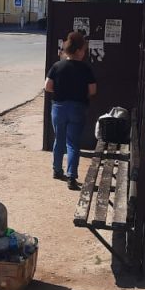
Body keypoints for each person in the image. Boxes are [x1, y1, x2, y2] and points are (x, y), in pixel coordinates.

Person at [45, 31, 97, 190]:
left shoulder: (57, 66)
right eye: (84, 50)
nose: (84, 53)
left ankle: (57, 170)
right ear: (78, 50)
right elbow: (93, 90)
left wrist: (61, 92)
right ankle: (71, 178)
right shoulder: (86, 69)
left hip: (59, 108)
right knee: (73, 143)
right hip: (77, 108)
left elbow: (47, 87)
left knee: (58, 140)